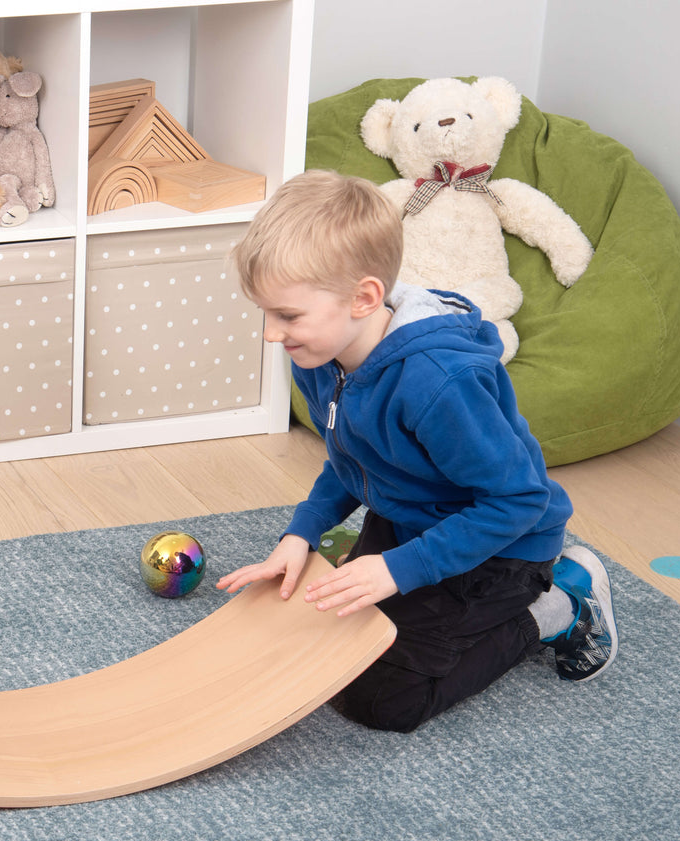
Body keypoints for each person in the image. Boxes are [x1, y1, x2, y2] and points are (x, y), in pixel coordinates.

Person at [217, 169, 618, 733]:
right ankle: (397, 577)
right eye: (266, 312)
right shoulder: (322, 353)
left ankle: (559, 608)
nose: (270, 334)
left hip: (501, 549)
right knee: (316, 642)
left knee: (379, 699)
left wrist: (402, 569)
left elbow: (519, 499)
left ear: (364, 298)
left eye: (287, 316)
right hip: (411, 518)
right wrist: (301, 533)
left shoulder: (437, 384)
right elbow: (349, 454)